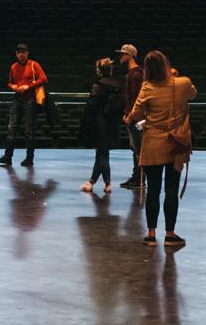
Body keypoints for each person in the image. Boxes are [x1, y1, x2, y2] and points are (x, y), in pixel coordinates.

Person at [126, 50, 196, 247]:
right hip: (176, 145)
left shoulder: (147, 87)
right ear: (166, 64)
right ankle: (170, 234)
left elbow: (136, 112)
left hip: (153, 144)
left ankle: (150, 233)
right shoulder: (182, 82)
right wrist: (175, 76)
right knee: (171, 190)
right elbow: (193, 94)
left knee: (153, 190)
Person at [0, 43, 47, 167]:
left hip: (30, 100)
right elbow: (10, 82)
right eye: (18, 52)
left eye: (23, 52)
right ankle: (8, 157)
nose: (20, 54)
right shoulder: (14, 66)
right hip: (17, 99)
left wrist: (28, 86)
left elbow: (44, 79)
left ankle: (29, 158)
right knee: (11, 128)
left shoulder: (34, 64)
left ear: (27, 53)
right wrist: (13, 87)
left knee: (29, 130)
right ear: (16, 54)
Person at [78, 57, 122, 194]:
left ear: (99, 70)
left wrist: (85, 123)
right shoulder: (117, 85)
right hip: (113, 123)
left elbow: (91, 107)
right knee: (102, 152)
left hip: (100, 123)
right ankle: (91, 182)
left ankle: (108, 184)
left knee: (102, 153)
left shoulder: (98, 86)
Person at [117, 44, 144, 188]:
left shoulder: (135, 74)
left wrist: (130, 115)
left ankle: (139, 178)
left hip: (136, 118)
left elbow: (137, 98)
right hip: (133, 116)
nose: (120, 57)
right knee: (135, 148)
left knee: (138, 148)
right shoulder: (133, 74)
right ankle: (137, 177)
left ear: (130, 55)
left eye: (123, 54)